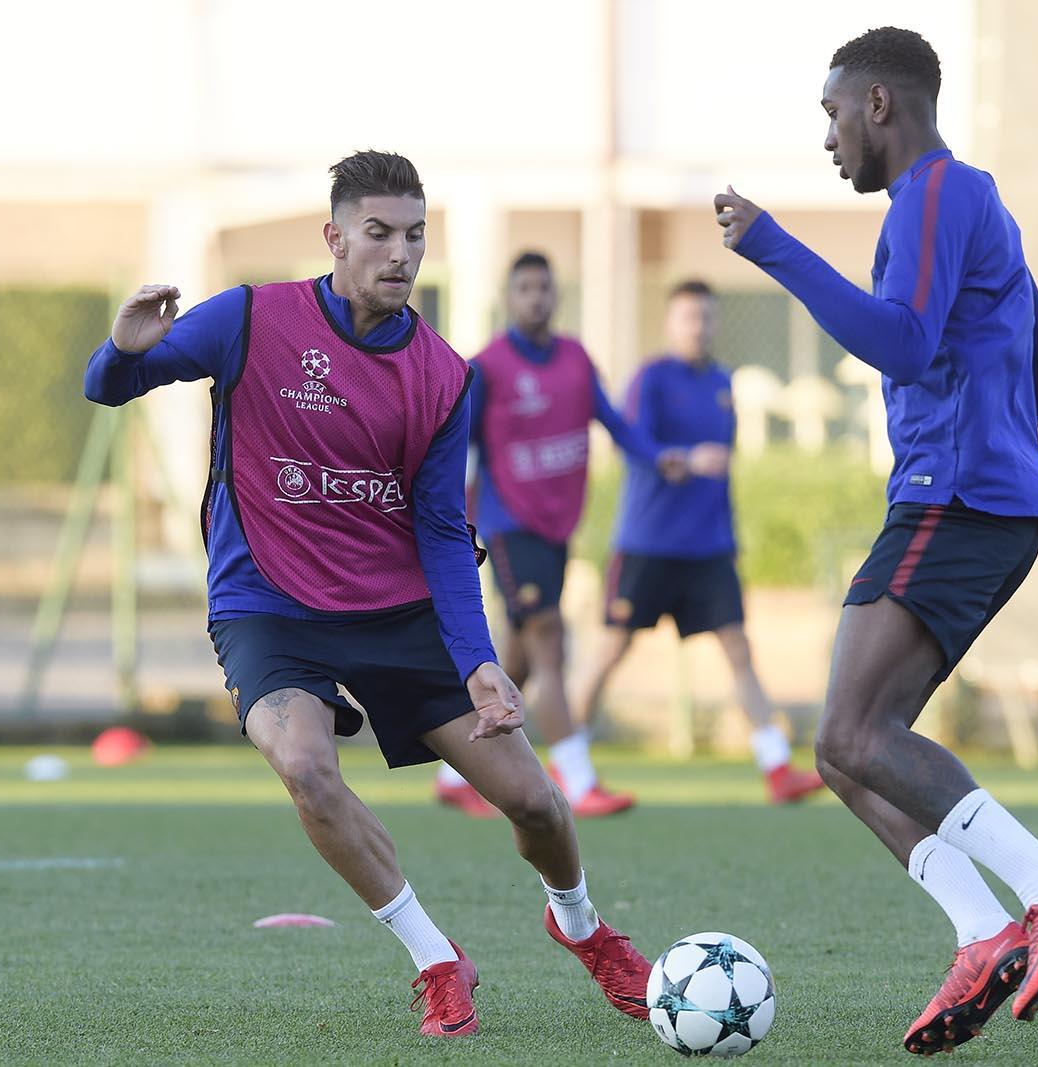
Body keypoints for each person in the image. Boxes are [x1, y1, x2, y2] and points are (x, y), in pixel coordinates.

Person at [82, 151, 651, 1039]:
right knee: (306, 769)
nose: (400, 253)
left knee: (535, 802)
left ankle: (582, 926)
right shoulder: (249, 318)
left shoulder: (443, 374)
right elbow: (112, 387)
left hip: (395, 608)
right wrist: (122, 346)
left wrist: (480, 662)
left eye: (415, 235)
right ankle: (437, 958)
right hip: (267, 601)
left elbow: (442, 529)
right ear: (335, 237)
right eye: (379, 232)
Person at [714, 27, 1038, 1054]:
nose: (828, 137)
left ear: (879, 104)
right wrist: (1004, 440)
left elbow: (901, 341)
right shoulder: (968, 203)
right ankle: (982, 931)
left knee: (853, 733)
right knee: (845, 748)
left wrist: (770, 243)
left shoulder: (935, 193)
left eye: (832, 113)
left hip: (956, 495)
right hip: (982, 493)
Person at [434, 251, 690, 819]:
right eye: (524, 288)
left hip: (556, 528)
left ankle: (453, 774)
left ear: (557, 295)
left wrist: (657, 457)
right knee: (551, 640)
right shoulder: (488, 368)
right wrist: (451, 521)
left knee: (519, 659)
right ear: (509, 298)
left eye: (544, 287)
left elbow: (614, 422)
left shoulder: (575, 359)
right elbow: (455, 448)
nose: (536, 297)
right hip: (508, 525)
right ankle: (576, 777)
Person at [572, 279, 829, 805]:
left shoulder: (722, 383)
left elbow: (725, 471)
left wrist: (730, 536)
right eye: (689, 317)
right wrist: (685, 460)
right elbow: (633, 444)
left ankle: (777, 768)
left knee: (739, 649)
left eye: (707, 317)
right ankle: (568, 762)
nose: (699, 327)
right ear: (670, 323)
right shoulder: (652, 378)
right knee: (611, 650)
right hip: (647, 544)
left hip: (708, 548)